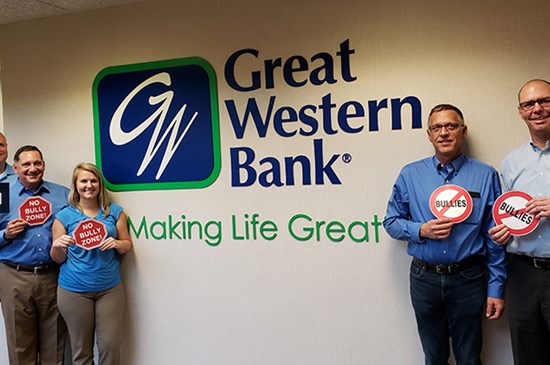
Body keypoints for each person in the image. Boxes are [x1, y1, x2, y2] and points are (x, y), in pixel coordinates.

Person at [383, 104, 507, 365]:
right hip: (424, 278)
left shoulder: (486, 175)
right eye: (437, 127)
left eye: (451, 126)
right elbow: (391, 222)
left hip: (469, 278)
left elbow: (494, 236)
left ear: (463, 131)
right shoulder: (410, 174)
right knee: (434, 357)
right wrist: (420, 229)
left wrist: (496, 287)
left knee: (470, 358)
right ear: (429, 135)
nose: (444, 133)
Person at [489, 79, 550, 365]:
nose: (537, 109)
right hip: (523, 273)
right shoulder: (512, 161)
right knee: (527, 356)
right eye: (529, 104)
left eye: (544, 101)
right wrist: (505, 232)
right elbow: (510, 213)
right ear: (520, 112)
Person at [50, 162, 132, 365]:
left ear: (99, 184)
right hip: (73, 291)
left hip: (109, 289)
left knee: (110, 346)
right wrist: (58, 245)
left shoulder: (115, 212)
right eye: (83, 181)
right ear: (75, 185)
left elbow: (127, 245)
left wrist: (117, 243)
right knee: (81, 352)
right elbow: (57, 258)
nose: (89, 185)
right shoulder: (64, 216)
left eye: (93, 180)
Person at [0, 145, 68, 364]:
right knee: (21, 347)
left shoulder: (63, 194)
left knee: (55, 344)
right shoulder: (2, 195)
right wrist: (5, 234)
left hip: (53, 276)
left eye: (37, 163)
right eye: (26, 164)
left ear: (44, 166)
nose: (32, 168)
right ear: (16, 167)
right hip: (14, 277)